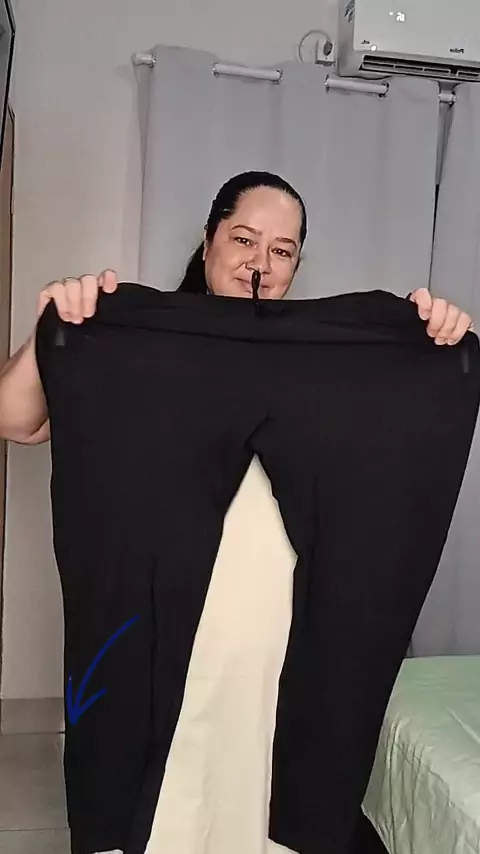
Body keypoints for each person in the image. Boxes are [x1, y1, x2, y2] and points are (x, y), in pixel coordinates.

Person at [0, 171, 474, 445]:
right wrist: (56, 328)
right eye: (245, 240)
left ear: (296, 266)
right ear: (208, 242)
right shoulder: (139, 345)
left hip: (287, 587)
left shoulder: (323, 365)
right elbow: (14, 421)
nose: (260, 263)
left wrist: (418, 344)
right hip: (159, 587)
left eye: (281, 250)